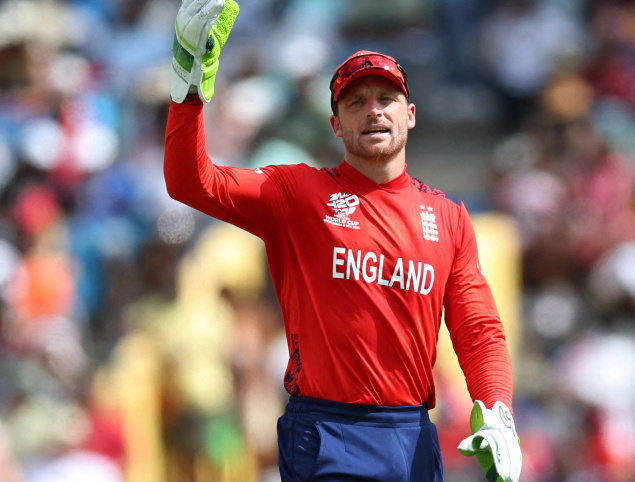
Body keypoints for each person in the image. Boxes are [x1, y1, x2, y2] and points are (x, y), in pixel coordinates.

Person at [164, 0, 523, 480]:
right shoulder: (297, 193)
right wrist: (188, 91)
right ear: (335, 125)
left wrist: (496, 408)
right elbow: (190, 182)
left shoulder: (449, 217)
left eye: (386, 99)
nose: (373, 111)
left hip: (412, 436)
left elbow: (478, 330)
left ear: (411, 114)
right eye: (355, 102)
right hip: (326, 432)